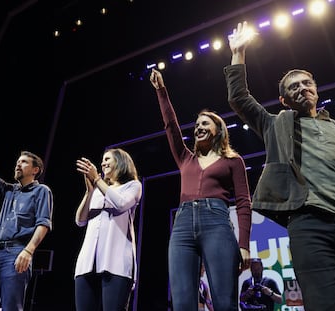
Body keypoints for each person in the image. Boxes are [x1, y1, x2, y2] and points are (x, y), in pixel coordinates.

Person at [224, 21, 335, 310]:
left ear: (316, 90)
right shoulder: (276, 124)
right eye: (294, 87)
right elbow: (239, 98)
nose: (302, 88)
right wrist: (238, 53)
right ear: (283, 99)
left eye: (307, 83)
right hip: (309, 223)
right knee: (322, 304)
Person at [150, 68, 252, 311]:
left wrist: (244, 244)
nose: (198, 128)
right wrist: (161, 91)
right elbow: (171, 127)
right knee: (183, 302)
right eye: (196, 125)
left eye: (205, 123)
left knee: (224, 301)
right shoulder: (186, 158)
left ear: (218, 130)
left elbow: (243, 202)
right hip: (182, 225)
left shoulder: (233, 161)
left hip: (216, 223)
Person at [0, 132, 53, 311]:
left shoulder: (41, 191)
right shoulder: (9, 190)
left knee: (11, 307)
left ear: (35, 170)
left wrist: (28, 251)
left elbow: (44, 223)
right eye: (17, 161)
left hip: (15, 253)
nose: (18, 164)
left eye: (23, 162)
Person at [74, 148, 142, 311]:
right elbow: (80, 221)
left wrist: (97, 179)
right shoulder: (97, 190)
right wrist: (90, 191)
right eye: (102, 160)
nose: (102, 163)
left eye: (107, 159)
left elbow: (121, 204)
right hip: (87, 263)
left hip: (116, 263)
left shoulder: (133, 185)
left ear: (120, 162)